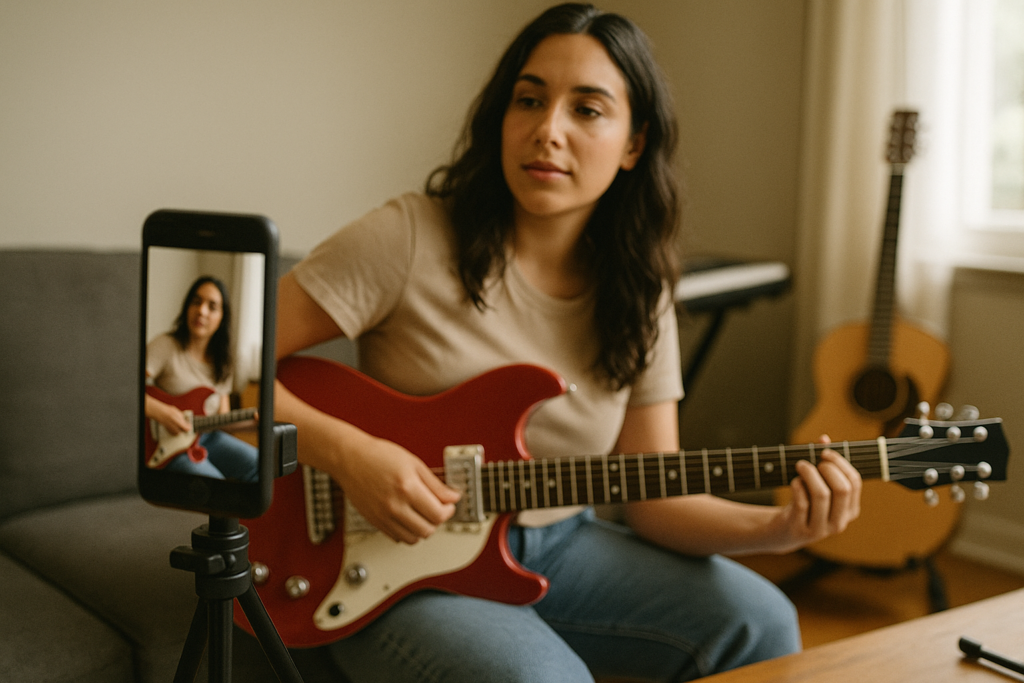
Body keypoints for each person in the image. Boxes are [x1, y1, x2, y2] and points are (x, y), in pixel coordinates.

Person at [274, 4, 862, 681]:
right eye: (529, 100)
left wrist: (776, 531)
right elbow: (213, 365)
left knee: (763, 621)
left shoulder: (640, 293)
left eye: (587, 110)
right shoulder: (405, 238)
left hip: (562, 543)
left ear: (634, 145)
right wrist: (351, 455)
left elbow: (655, 494)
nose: (547, 130)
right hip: (391, 564)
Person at [145, 275, 259, 483]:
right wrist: (160, 412)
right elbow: (126, 387)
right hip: (169, 445)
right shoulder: (165, 346)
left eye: (212, 306)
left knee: (259, 465)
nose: (202, 311)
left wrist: (254, 424)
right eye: (196, 302)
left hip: (209, 437)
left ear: (222, 318)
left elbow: (223, 419)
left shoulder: (224, 363)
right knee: (217, 486)